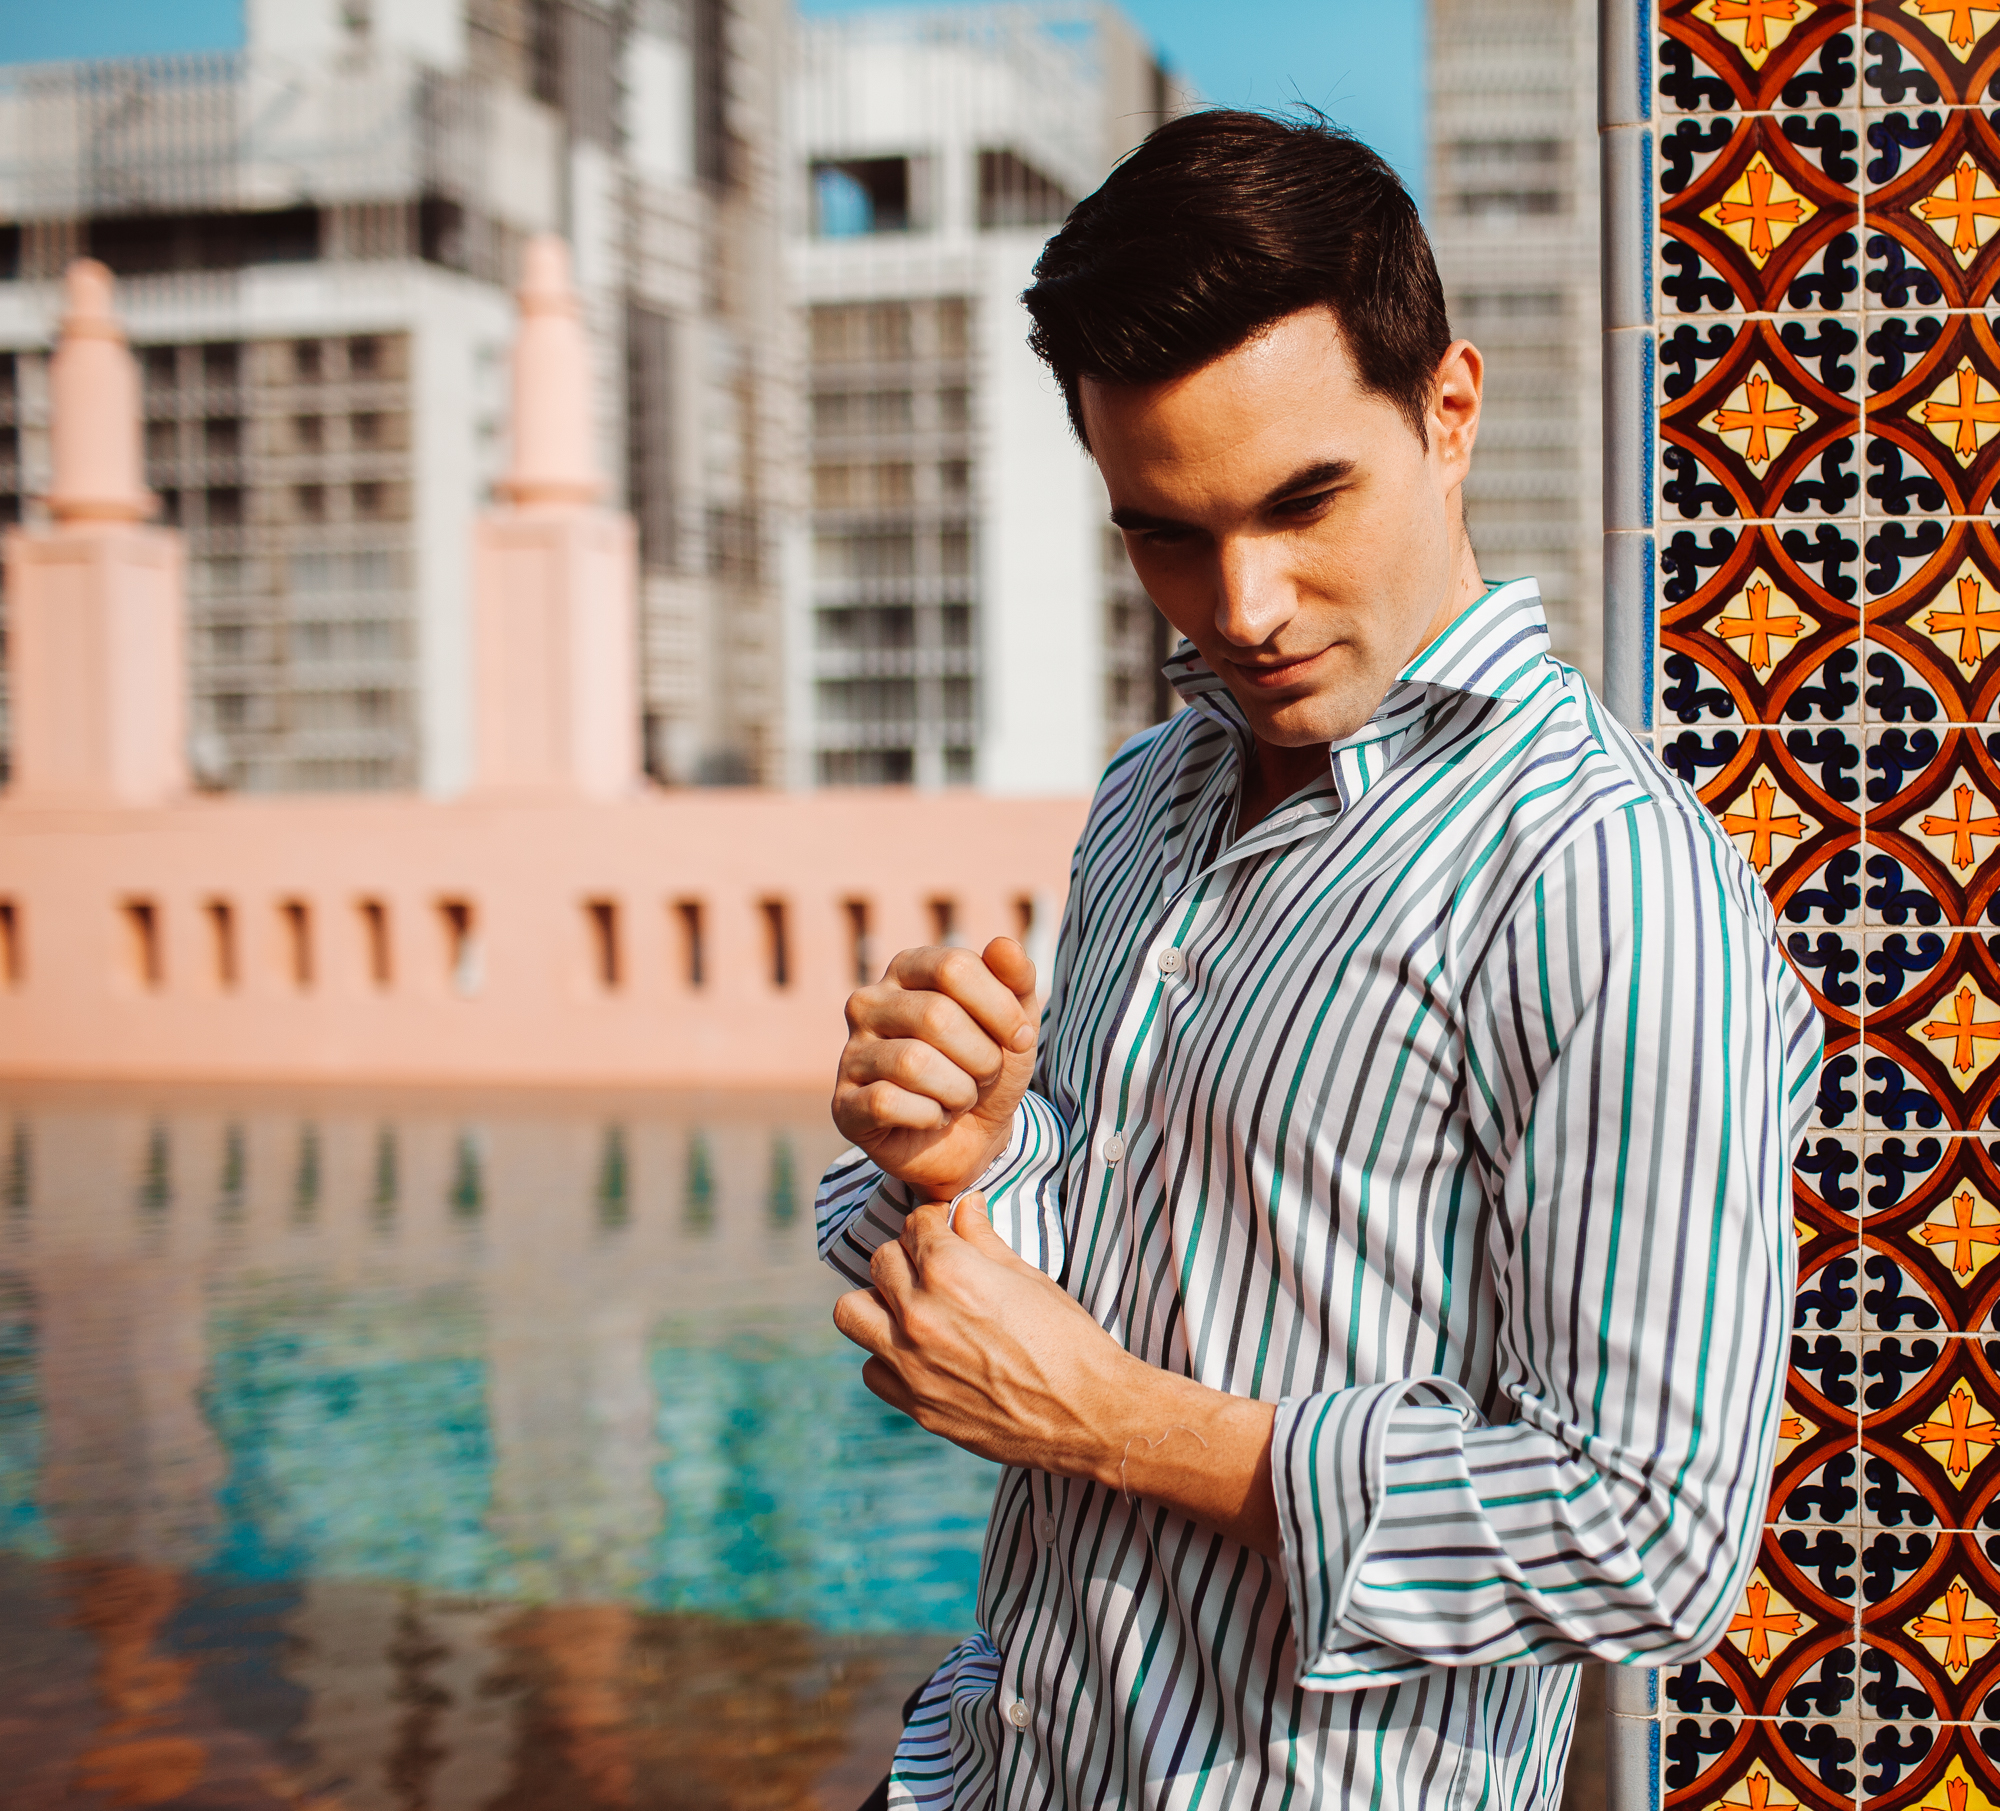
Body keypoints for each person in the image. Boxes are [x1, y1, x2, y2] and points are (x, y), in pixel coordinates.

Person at [817, 109, 1821, 1810]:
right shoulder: (1154, 788)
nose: (1246, 602)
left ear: (1450, 412)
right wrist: (962, 1160)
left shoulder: (1603, 879)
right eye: (1164, 531)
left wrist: (1113, 1423)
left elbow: (1652, 1537)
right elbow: (1102, 1279)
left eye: (1304, 501)